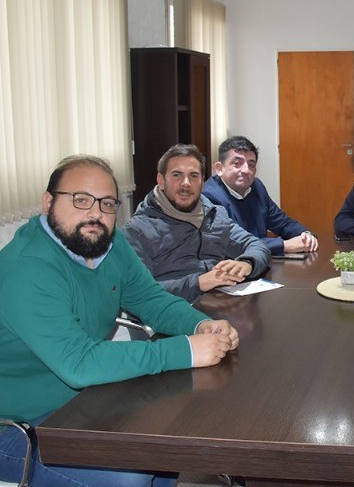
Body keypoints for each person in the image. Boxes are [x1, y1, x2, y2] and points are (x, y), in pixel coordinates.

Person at [0, 155, 239, 487]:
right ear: (48, 202)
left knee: (163, 445)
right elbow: (79, 363)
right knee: (131, 475)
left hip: (83, 403)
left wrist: (200, 325)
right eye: (81, 200)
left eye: (108, 204)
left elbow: (151, 300)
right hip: (17, 427)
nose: (96, 213)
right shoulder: (27, 269)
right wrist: (185, 350)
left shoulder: (110, 245)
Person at [124, 144, 271, 304]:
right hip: (169, 316)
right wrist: (199, 283)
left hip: (218, 304)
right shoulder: (137, 230)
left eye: (194, 176)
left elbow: (256, 245)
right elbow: (137, 292)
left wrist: (248, 262)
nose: (186, 183)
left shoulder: (215, 215)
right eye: (177, 175)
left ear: (202, 182)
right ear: (161, 180)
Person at [203, 135, 318, 255]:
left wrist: (305, 235)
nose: (246, 170)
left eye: (251, 164)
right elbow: (233, 243)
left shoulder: (256, 187)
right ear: (219, 168)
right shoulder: (209, 197)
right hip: (230, 268)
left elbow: (282, 222)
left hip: (260, 263)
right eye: (237, 163)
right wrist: (284, 245)